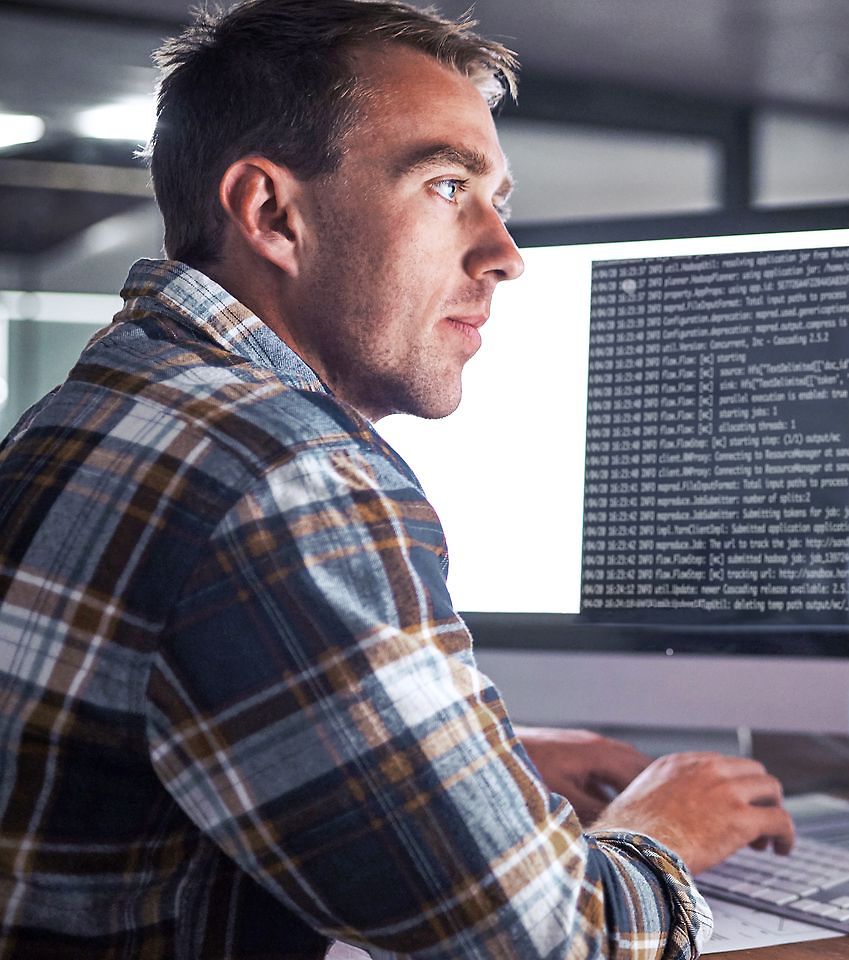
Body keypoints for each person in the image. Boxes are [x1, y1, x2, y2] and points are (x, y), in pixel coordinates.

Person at [0, 0, 794, 956]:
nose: (505, 256)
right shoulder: (289, 473)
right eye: (446, 185)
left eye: (498, 199)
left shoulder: (106, 405)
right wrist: (668, 825)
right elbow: (543, 941)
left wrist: (489, 764)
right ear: (271, 213)